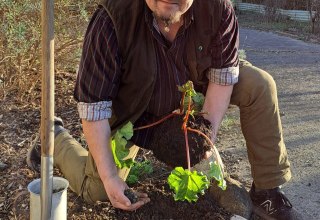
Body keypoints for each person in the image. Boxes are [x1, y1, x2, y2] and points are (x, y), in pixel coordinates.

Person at [27, 0, 303, 219]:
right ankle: (54, 135)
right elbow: (94, 106)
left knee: (259, 84)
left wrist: (203, 138)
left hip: (190, 101)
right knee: (97, 191)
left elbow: (221, 78)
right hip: (135, 114)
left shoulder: (218, 10)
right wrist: (111, 177)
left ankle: (266, 190)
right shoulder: (112, 19)